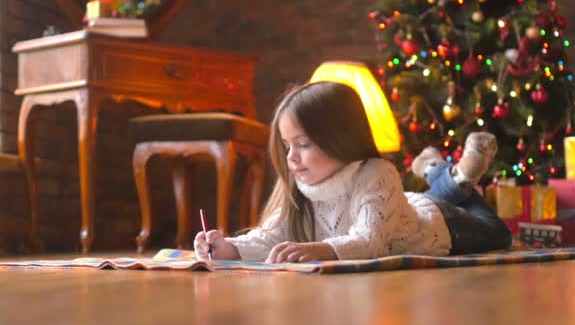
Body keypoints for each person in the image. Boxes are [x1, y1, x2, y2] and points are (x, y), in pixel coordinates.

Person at [194, 81, 512, 263]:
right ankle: (442, 172)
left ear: (339, 139)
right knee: (419, 200)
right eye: (287, 145)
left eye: (302, 144)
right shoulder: (303, 179)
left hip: (440, 226)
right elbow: (275, 235)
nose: (291, 157)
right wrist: (230, 248)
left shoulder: (377, 173)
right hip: (403, 206)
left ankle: (449, 174)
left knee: (499, 233)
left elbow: (370, 241)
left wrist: (318, 249)